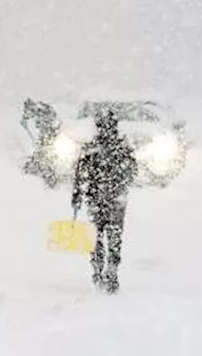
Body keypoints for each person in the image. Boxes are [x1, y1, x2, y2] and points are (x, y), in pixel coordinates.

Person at [71, 106, 139, 293]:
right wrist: (119, 183)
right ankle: (112, 271)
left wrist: (77, 195)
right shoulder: (122, 147)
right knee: (114, 237)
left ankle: (98, 271)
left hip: (96, 199)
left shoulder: (91, 147)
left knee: (96, 237)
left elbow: (79, 175)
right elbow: (133, 170)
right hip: (116, 199)